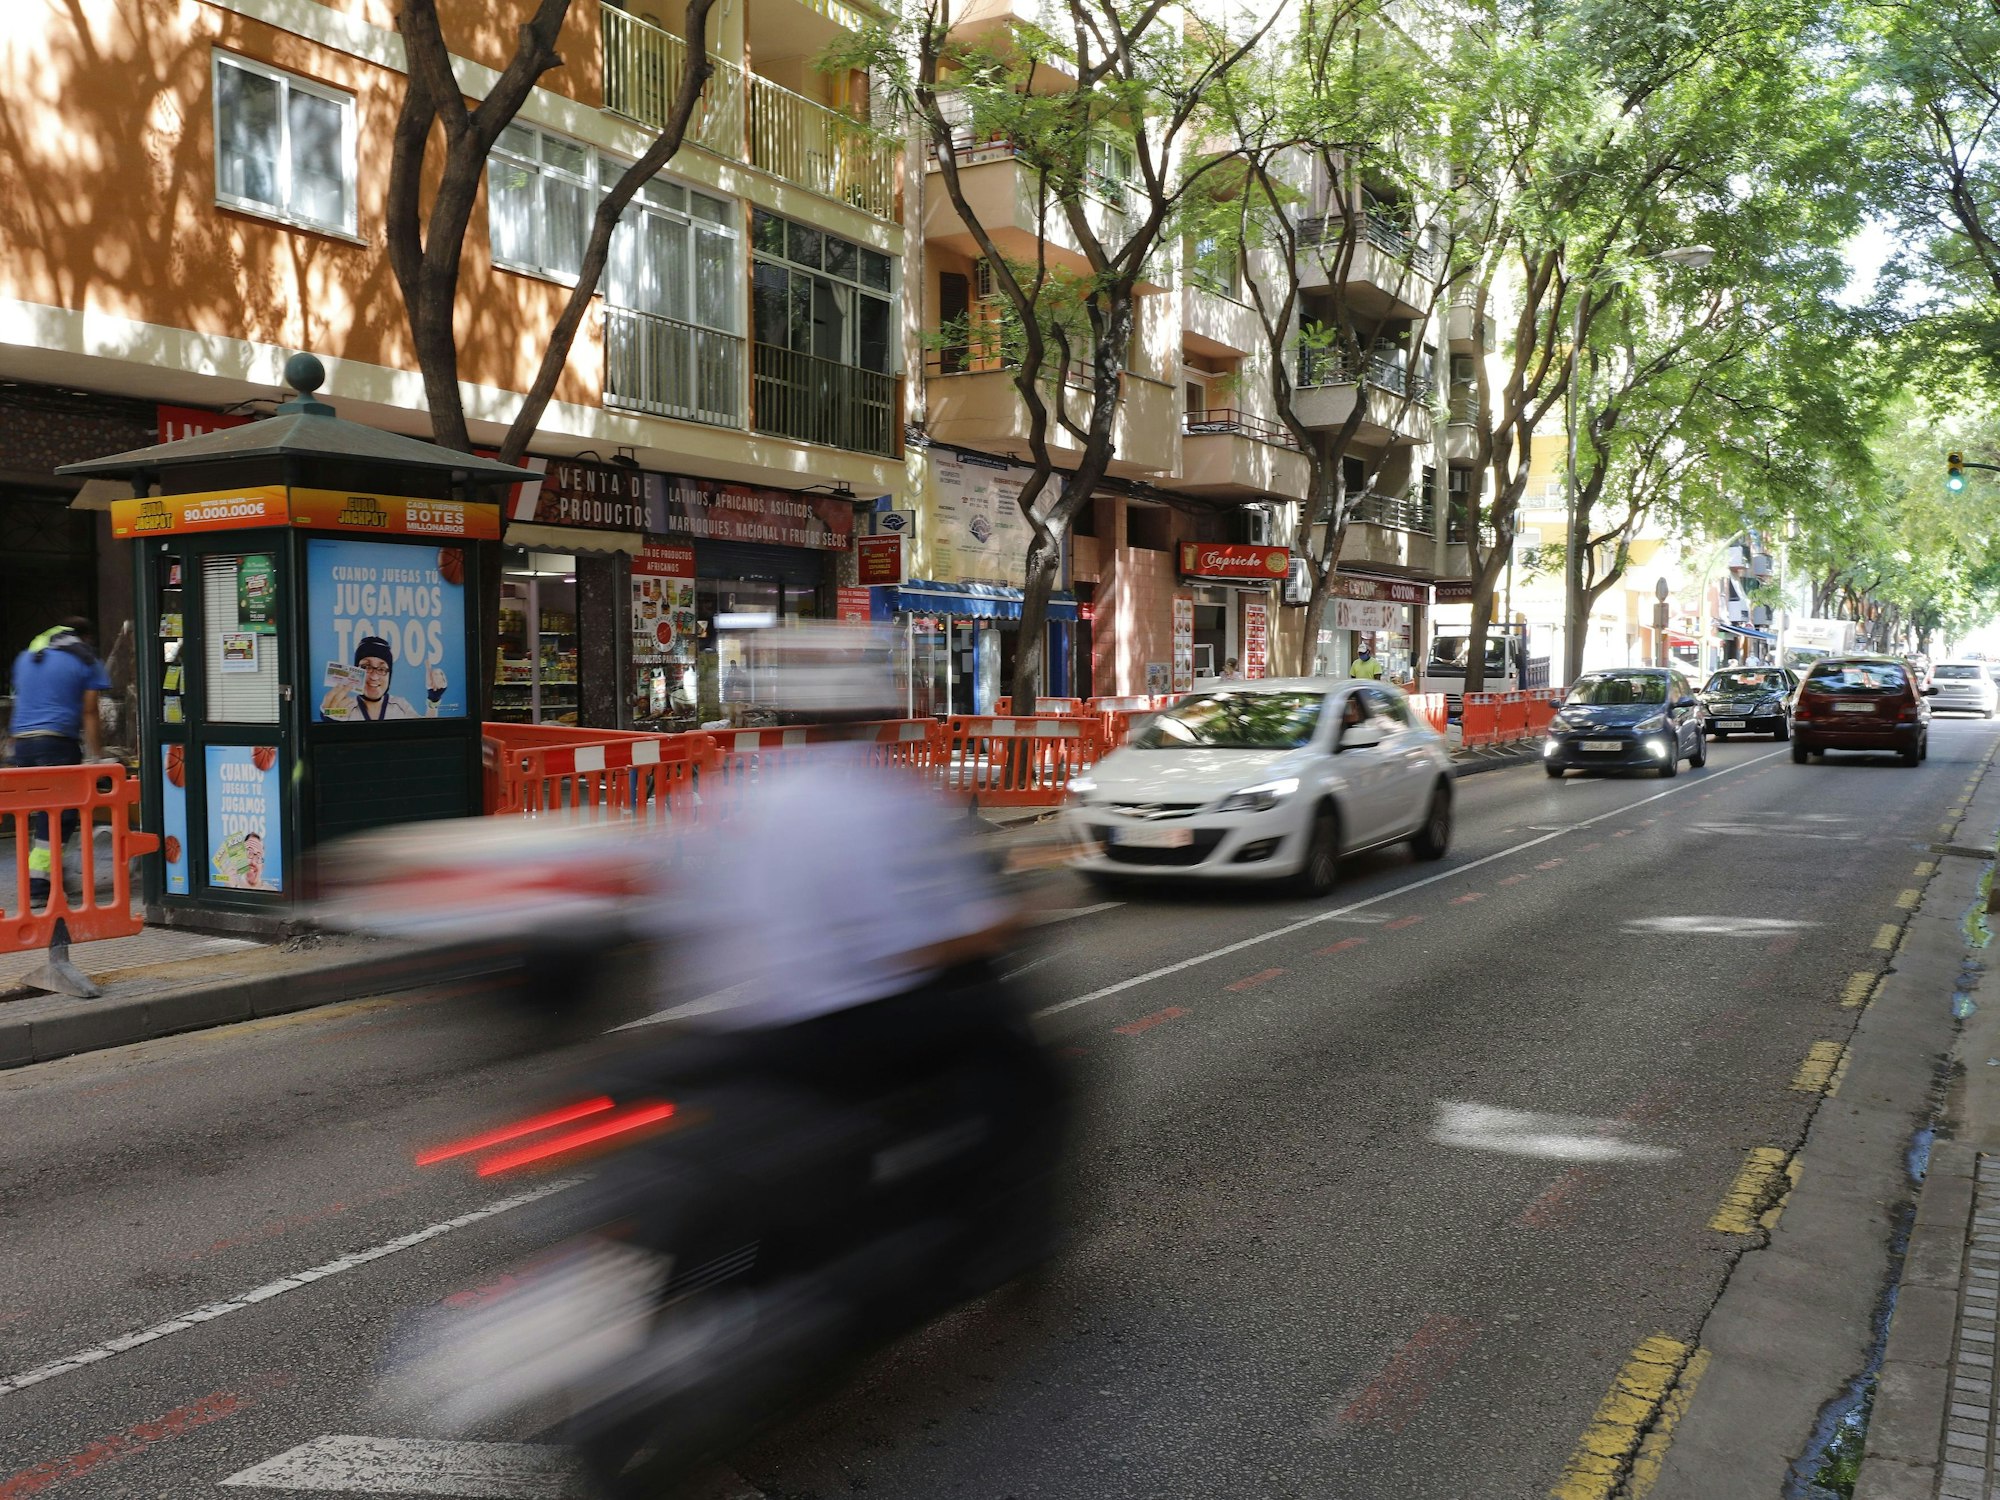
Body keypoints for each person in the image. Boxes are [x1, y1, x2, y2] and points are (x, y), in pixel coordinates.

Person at [8, 618, 112, 904]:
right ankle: (40, 888)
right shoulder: (86, 659)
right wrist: (96, 757)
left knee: (42, 815)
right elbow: (90, 711)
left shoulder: (26, 657)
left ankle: (50, 876)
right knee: (58, 819)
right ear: (86, 638)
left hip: (24, 745)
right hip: (57, 743)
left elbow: (23, 701)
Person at [320, 636, 445, 721]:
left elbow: (424, 731)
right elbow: (331, 718)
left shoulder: (400, 706)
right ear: (356, 671)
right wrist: (327, 715)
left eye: (381, 669)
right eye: (366, 667)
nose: (374, 676)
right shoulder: (344, 707)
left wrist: (433, 700)